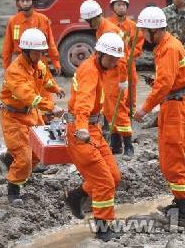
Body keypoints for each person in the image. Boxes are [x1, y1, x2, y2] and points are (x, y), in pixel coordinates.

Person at [134, 7, 185, 225]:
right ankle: (179, 202)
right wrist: (158, 84)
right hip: (173, 106)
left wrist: (144, 108)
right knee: (169, 159)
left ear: (154, 30)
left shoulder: (168, 48)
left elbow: (165, 84)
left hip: (175, 109)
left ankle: (183, 211)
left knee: (173, 161)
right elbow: (169, 80)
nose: (142, 35)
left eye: (144, 31)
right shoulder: (166, 45)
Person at [65, 32, 123, 242]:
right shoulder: (89, 71)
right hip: (81, 132)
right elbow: (83, 103)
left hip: (93, 129)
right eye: (112, 59)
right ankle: (102, 228)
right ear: (99, 54)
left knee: (113, 177)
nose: (114, 63)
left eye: (117, 59)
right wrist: (81, 128)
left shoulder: (101, 68)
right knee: (104, 182)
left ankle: (77, 196)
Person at [0, 28, 65, 204]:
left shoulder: (38, 65)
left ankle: (11, 159)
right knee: (24, 157)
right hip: (13, 117)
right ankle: (13, 190)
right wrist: (51, 106)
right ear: (26, 52)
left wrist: (55, 89)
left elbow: (46, 80)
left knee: (38, 151)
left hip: (31, 114)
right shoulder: (15, 72)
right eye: (37, 52)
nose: (41, 56)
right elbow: (28, 96)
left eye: (42, 52)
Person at [79, 0, 132, 155]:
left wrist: (123, 80)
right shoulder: (101, 28)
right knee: (109, 110)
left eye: (90, 21)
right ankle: (116, 145)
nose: (89, 24)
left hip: (115, 75)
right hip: (108, 74)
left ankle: (128, 144)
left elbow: (121, 58)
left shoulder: (109, 30)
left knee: (119, 110)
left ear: (97, 16)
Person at [107, 0, 145, 155]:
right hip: (114, 70)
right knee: (114, 104)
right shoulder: (108, 25)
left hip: (129, 69)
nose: (121, 7)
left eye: (123, 4)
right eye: (118, 4)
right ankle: (118, 142)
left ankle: (127, 136)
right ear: (112, 7)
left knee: (130, 102)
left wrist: (131, 55)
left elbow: (139, 44)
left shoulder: (133, 26)